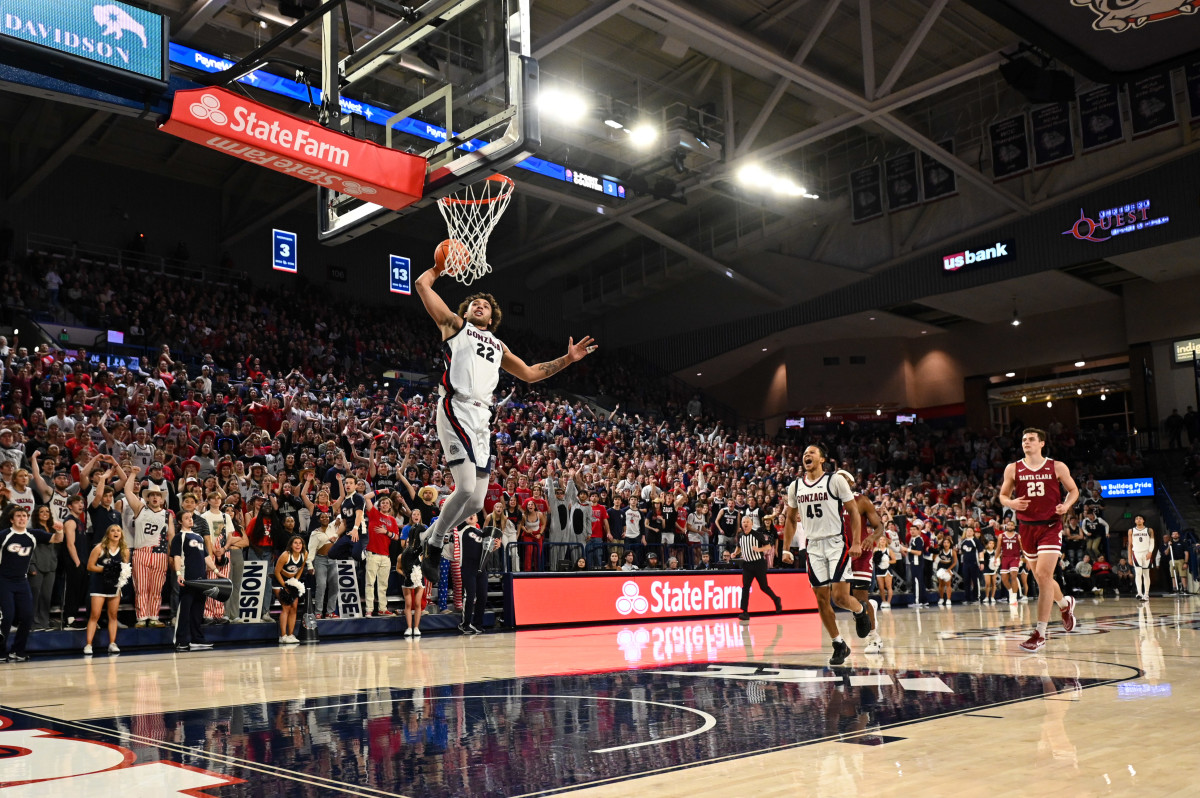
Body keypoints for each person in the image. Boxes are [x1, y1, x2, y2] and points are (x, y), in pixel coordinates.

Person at [412, 261, 596, 584]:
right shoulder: (455, 326)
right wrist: (439, 267)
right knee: (466, 486)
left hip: (482, 419)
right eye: (474, 304)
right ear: (467, 312)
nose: (479, 305)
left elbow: (529, 372)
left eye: (485, 305)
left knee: (476, 502)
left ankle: (426, 535)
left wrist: (568, 359)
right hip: (455, 406)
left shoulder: (498, 347)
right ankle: (435, 544)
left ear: (493, 318)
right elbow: (422, 286)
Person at [781, 444, 871, 666]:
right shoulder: (795, 487)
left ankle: (860, 611)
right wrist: (786, 548)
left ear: (822, 459)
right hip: (813, 547)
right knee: (821, 600)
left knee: (839, 598)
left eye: (811, 452)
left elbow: (853, 511)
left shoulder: (835, 480)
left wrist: (857, 542)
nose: (806, 455)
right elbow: (791, 519)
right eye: (804, 453)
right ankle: (838, 644)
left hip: (835, 543)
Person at [999, 428, 1078, 653]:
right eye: (1024, 439)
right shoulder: (1013, 468)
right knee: (1040, 577)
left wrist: (1066, 505)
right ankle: (1065, 604)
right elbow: (1003, 496)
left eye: (1031, 439)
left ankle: (1040, 633)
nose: (1026, 442)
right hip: (1027, 529)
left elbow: (1073, 491)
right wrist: (1011, 503)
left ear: (1042, 443)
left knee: (1043, 576)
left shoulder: (1057, 466)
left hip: (1051, 527)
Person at [1, 507, 63, 662]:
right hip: (4, 581)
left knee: (28, 616)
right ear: (12, 519)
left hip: (22, 581)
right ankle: (1, 652)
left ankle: (18, 651)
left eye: (24, 516)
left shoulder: (32, 534)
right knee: (7, 616)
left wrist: (60, 530)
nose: (22, 518)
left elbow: (57, 539)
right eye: (18, 516)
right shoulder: (4, 535)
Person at [837, 469, 885, 651]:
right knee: (840, 599)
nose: (838, 482)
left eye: (843, 479)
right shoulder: (831, 503)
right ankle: (867, 608)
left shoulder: (861, 500)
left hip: (861, 553)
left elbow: (879, 526)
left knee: (860, 599)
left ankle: (874, 637)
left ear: (850, 483)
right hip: (840, 554)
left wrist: (872, 538)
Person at [124, 473, 171, 627]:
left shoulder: (167, 515)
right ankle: (142, 617)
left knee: (156, 588)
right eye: (152, 495)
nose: (155, 498)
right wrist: (132, 474)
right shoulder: (140, 508)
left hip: (160, 553)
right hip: (141, 552)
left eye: (158, 495)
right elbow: (127, 491)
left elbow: (171, 537)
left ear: (162, 499)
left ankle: (154, 617)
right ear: (147, 498)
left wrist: (171, 557)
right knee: (141, 587)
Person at [170, 510, 214, 652]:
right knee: (185, 611)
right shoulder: (179, 537)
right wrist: (178, 573)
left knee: (198, 610)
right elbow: (176, 557)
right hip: (188, 578)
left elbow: (206, 557)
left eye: (191, 517)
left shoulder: (199, 537)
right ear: (180, 522)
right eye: (186, 518)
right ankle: (181, 640)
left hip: (202, 579)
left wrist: (216, 571)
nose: (190, 520)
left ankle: (197, 639)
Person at [83, 523, 129, 655]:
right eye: (113, 530)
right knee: (95, 615)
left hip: (114, 586)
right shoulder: (99, 548)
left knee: (113, 615)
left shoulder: (124, 550)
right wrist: (106, 569)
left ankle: (112, 643)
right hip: (98, 585)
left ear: (121, 534)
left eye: (118, 531)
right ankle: (88, 645)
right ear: (108, 534)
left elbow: (125, 569)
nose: (116, 533)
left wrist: (118, 575)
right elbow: (90, 566)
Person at [732, 515, 782, 621]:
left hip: (759, 564)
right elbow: (739, 547)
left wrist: (759, 549)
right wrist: (735, 553)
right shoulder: (740, 536)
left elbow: (768, 546)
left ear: (752, 524)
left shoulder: (758, 535)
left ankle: (776, 599)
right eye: (743, 522)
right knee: (745, 588)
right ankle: (745, 612)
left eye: (747, 522)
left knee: (764, 587)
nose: (745, 524)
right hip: (747, 565)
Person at [459, 513, 500, 634]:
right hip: (467, 567)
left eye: (474, 514)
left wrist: (496, 545)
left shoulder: (482, 533)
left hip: (481, 568)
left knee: (483, 596)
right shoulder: (462, 529)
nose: (471, 515)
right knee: (470, 596)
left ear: (478, 519)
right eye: (469, 514)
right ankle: (465, 624)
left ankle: (478, 623)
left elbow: (489, 548)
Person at [274, 535, 307, 644]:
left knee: (294, 607)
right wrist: (285, 585)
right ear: (291, 545)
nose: (298, 545)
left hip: (291, 582)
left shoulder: (304, 554)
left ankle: (291, 635)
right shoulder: (285, 555)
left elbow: (301, 568)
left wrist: (294, 582)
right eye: (295, 543)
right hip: (279, 582)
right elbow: (276, 572)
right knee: (286, 607)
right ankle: (283, 636)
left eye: (300, 543)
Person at [1126, 515, 1155, 601]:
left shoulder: (1149, 530)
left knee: (1146, 574)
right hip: (1136, 553)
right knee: (1138, 574)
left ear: (1143, 520)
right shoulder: (1131, 530)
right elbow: (1130, 545)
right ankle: (1139, 593)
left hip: (1146, 553)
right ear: (1135, 521)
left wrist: (1150, 552)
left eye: (1140, 518)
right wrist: (1129, 557)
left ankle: (1146, 594)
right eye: (1136, 519)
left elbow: (1152, 542)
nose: (1138, 520)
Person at [998, 521, 1022, 605]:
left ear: (1014, 527)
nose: (1010, 526)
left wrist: (1024, 558)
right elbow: (998, 548)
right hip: (1005, 558)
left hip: (1015, 557)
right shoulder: (1001, 536)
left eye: (1012, 525)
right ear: (1006, 526)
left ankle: (1014, 597)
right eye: (1009, 525)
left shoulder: (1018, 536)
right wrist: (996, 558)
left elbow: (1022, 548)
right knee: (1004, 578)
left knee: (1013, 574)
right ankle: (1010, 591)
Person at [958, 527, 982, 603]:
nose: (969, 532)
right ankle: (967, 598)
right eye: (967, 531)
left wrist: (982, 562)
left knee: (975, 580)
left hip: (974, 563)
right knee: (966, 580)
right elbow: (961, 552)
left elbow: (980, 551)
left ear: (973, 532)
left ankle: (976, 597)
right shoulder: (963, 541)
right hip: (965, 563)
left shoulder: (976, 541)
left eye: (970, 531)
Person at [934, 537, 957, 606]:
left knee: (948, 584)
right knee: (941, 584)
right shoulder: (940, 551)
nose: (946, 544)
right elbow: (935, 559)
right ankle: (941, 598)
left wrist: (949, 569)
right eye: (944, 542)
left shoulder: (952, 552)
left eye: (947, 542)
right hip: (941, 567)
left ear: (950, 544)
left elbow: (955, 562)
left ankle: (948, 599)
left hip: (948, 567)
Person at [982, 538, 1000, 604]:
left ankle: (992, 597)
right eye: (990, 543)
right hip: (986, 568)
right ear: (987, 544)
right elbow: (981, 558)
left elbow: (998, 560)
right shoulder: (985, 551)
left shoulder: (995, 552)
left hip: (994, 569)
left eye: (992, 543)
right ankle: (986, 596)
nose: (991, 544)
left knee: (993, 583)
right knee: (987, 583)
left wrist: (996, 565)